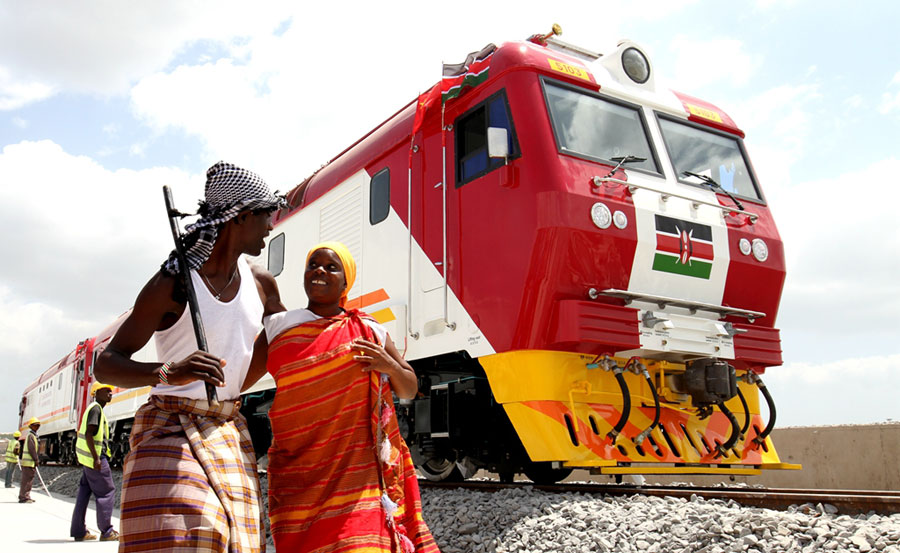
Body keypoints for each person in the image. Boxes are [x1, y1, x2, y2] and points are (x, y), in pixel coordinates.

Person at [94, 161, 286, 553]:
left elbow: (280, 347)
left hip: (226, 428)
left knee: (235, 542)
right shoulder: (174, 283)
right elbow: (105, 362)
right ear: (241, 216)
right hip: (169, 428)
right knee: (188, 532)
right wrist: (169, 372)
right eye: (267, 214)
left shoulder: (262, 285)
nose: (271, 225)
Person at [260, 242, 439, 552]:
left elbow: (409, 388)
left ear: (346, 283)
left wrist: (388, 366)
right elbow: (238, 373)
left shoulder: (369, 329)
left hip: (359, 477)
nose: (319, 270)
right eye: (313, 264)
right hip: (301, 471)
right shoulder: (279, 327)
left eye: (332, 267)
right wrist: (167, 374)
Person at [70, 382, 119, 542]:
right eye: (106, 391)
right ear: (96, 393)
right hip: (95, 460)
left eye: (111, 391)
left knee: (83, 494)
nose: (110, 393)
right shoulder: (96, 409)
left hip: (89, 460)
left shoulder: (95, 408)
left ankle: (78, 531)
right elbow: (89, 433)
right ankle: (106, 531)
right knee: (107, 491)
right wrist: (97, 458)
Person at [19, 417, 40, 503]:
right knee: (26, 480)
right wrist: (36, 459)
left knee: (28, 480)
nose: (37, 427)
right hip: (28, 463)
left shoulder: (33, 435)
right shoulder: (31, 436)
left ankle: (26, 496)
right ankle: (24, 497)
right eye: (35, 425)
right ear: (31, 426)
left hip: (30, 463)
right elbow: (32, 449)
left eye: (38, 425)